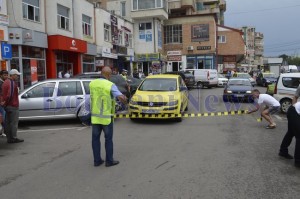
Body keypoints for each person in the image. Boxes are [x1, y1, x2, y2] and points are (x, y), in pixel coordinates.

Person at [89, 66, 127, 167]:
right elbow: (121, 97)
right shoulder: (110, 85)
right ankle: (109, 161)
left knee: (95, 139)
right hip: (106, 117)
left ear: (101, 73)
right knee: (108, 139)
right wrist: (125, 99)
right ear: (109, 75)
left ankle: (97, 161)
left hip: (95, 116)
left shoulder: (92, 83)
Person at [2, 69, 24, 143]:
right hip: (12, 105)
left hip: (7, 105)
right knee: (13, 123)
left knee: (8, 123)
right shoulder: (11, 82)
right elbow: (10, 95)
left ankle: (9, 138)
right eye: (17, 75)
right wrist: (7, 103)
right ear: (13, 75)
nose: (17, 76)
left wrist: (5, 103)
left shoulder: (5, 82)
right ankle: (13, 138)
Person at [278, 102, 300, 168]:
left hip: (292, 110)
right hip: (294, 112)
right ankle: (298, 161)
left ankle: (283, 151)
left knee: (291, 132)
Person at [0, 70, 8, 137]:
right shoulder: (0, 83)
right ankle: (4, 132)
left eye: (6, 75)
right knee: (3, 117)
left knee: (4, 117)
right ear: (1, 75)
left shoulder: (5, 82)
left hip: (4, 102)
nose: (6, 76)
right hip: (1, 103)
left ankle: (3, 131)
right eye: (4, 75)